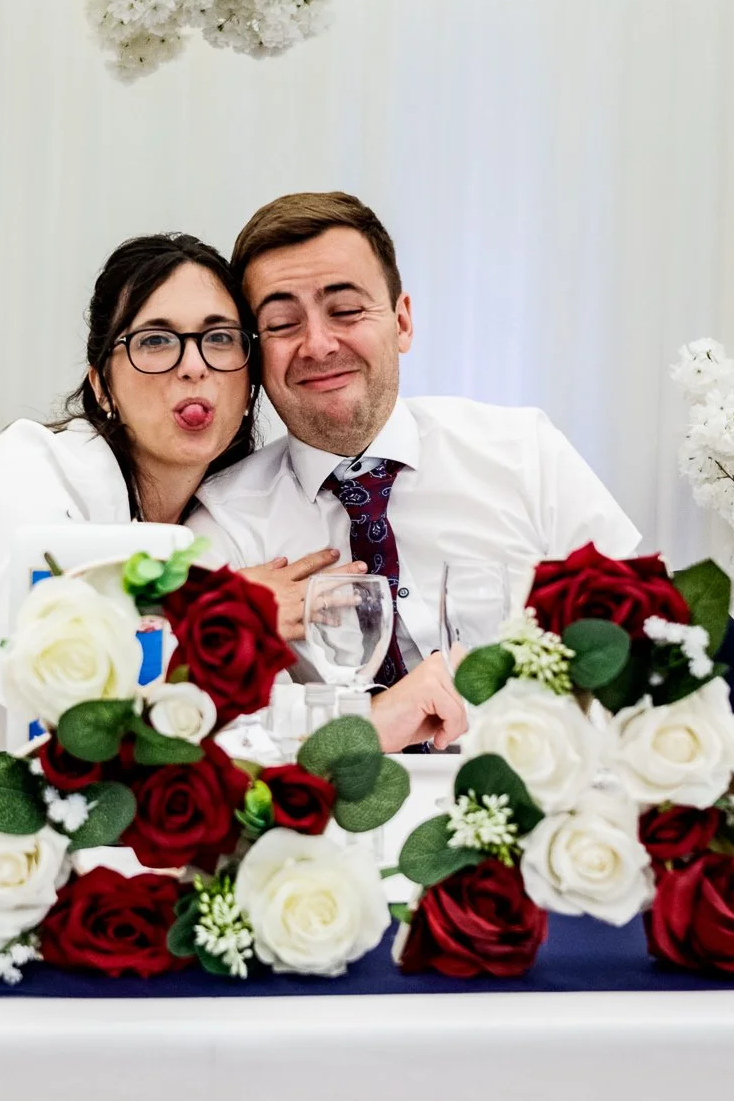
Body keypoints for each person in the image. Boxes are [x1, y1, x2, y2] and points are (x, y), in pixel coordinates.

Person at [0, 231, 459, 752]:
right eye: (155, 340)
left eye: (220, 338)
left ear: (250, 384)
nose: (193, 365)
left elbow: (236, 731)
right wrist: (220, 616)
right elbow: (56, 690)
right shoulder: (34, 469)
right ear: (100, 384)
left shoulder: (226, 527)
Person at [192, 192, 642, 715]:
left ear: (402, 323)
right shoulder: (225, 523)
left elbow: (644, 642)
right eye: (283, 324)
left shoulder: (525, 452)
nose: (317, 345)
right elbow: (228, 732)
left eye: (345, 310)